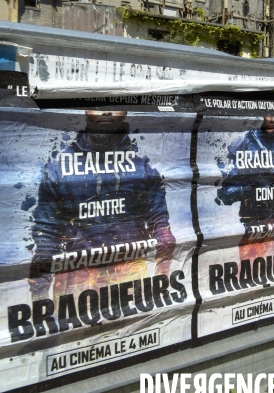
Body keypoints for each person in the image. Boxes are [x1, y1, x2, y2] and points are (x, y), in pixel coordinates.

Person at [29, 110, 176, 298]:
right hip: (76, 280)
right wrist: (39, 296)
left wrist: (162, 276)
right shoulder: (59, 168)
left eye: (115, 103)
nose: (106, 111)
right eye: (97, 104)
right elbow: (46, 235)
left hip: (129, 276)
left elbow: (162, 229)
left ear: (125, 111)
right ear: (85, 110)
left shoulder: (143, 166)